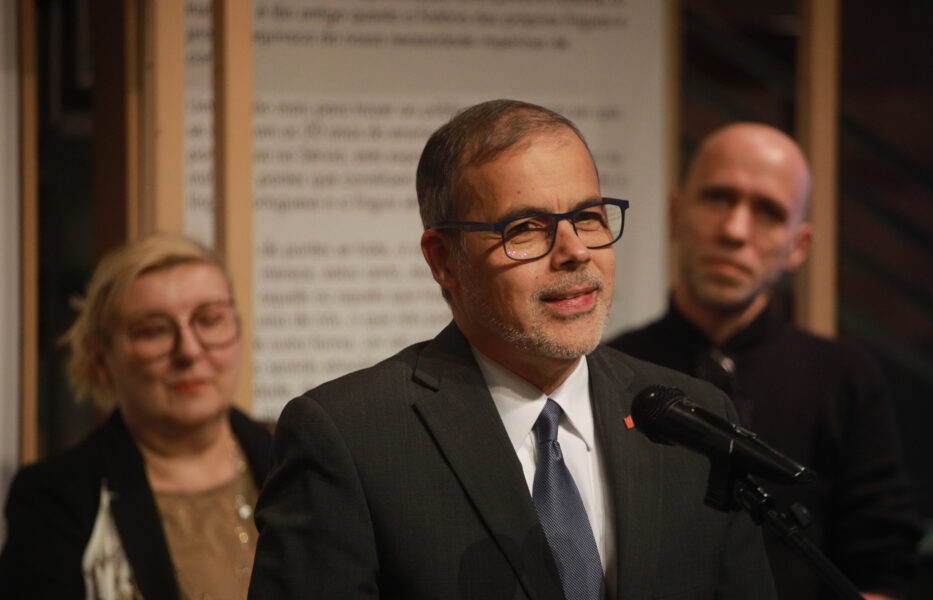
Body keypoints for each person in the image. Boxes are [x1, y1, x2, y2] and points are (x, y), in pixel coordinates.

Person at [248, 100, 776, 599]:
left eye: (588, 217)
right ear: (444, 259)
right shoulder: (349, 438)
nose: (575, 251)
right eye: (525, 229)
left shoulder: (693, 419)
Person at [610, 123, 923, 599]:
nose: (734, 231)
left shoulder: (844, 376)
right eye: (718, 198)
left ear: (799, 246)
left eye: (768, 212)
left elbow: (881, 565)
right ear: (675, 214)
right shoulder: (611, 368)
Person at [0, 234, 272, 600]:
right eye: (153, 330)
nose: (189, 351)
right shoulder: (56, 501)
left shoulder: (297, 460)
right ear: (101, 359)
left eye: (209, 320)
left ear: (238, 330)